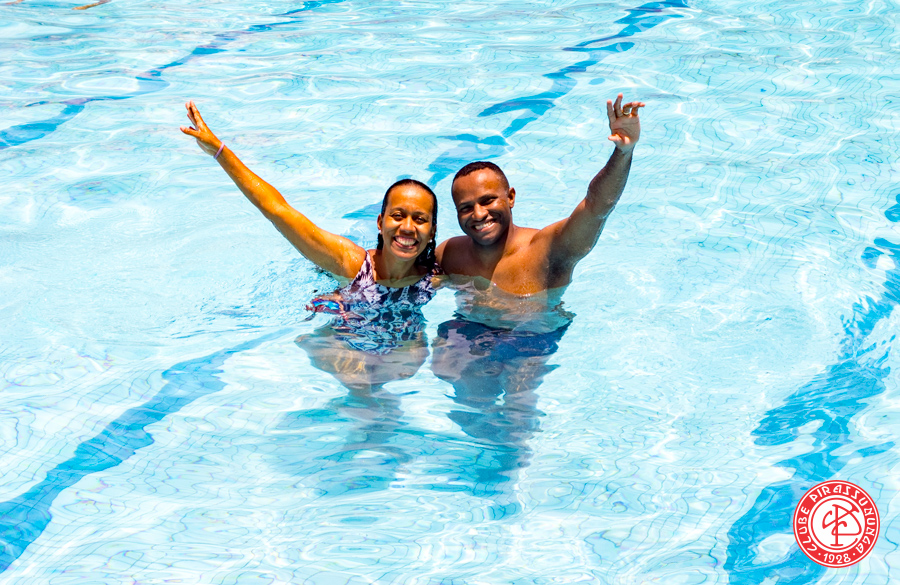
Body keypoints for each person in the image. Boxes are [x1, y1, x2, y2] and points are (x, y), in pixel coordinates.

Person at [427, 94, 643, 507]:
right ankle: (484, 463)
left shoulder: (547, 250)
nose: (479, 214)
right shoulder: (449, 253)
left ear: (510, 196)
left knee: (518, 406)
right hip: (471, 329)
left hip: (531, 333)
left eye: (488, 200)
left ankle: (513, 477)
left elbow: (597, 207)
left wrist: (623, 152)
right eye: (466, 207)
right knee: (460, 391)